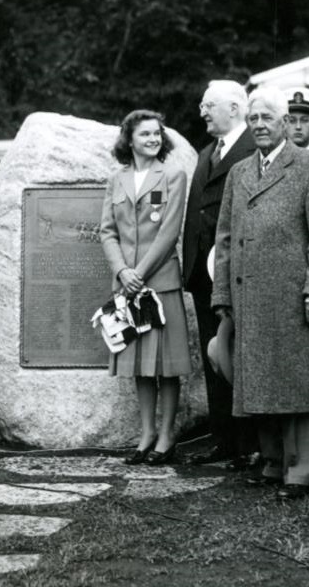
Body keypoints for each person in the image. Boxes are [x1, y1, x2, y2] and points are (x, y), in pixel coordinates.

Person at [213, 86, 309, 500]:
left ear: (286, 123)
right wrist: (222, 294)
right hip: (250, 298)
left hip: (295, 296)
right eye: (253, 119)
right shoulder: (239, 172)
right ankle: (272, 463)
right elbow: (226, 238)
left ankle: (300, 471)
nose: (260, 126)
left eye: (268, 118)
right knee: (260, 383)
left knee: (299, 384)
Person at [100, 110, 192, 466]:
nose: (153, 139)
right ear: (129, 140)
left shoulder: (172, 175)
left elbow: (169, 232)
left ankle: (167, 436)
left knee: (166, 365)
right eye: (145, 134)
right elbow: (107, 231)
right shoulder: (117, 180)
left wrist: (138, 271)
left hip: (160, 283)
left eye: (157, 134)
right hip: (128, 287)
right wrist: (123, 272)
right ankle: (146, 434)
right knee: (140, 365)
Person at [182, 79, 259, 468]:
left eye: (208, 104)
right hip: (202, 274)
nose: (202, 111)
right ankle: (224, 441)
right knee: (214, 361)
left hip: (235, 273)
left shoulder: (253, 149)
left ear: (233, 108)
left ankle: (249, 444)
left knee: (238, 358)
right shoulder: (207, 152)